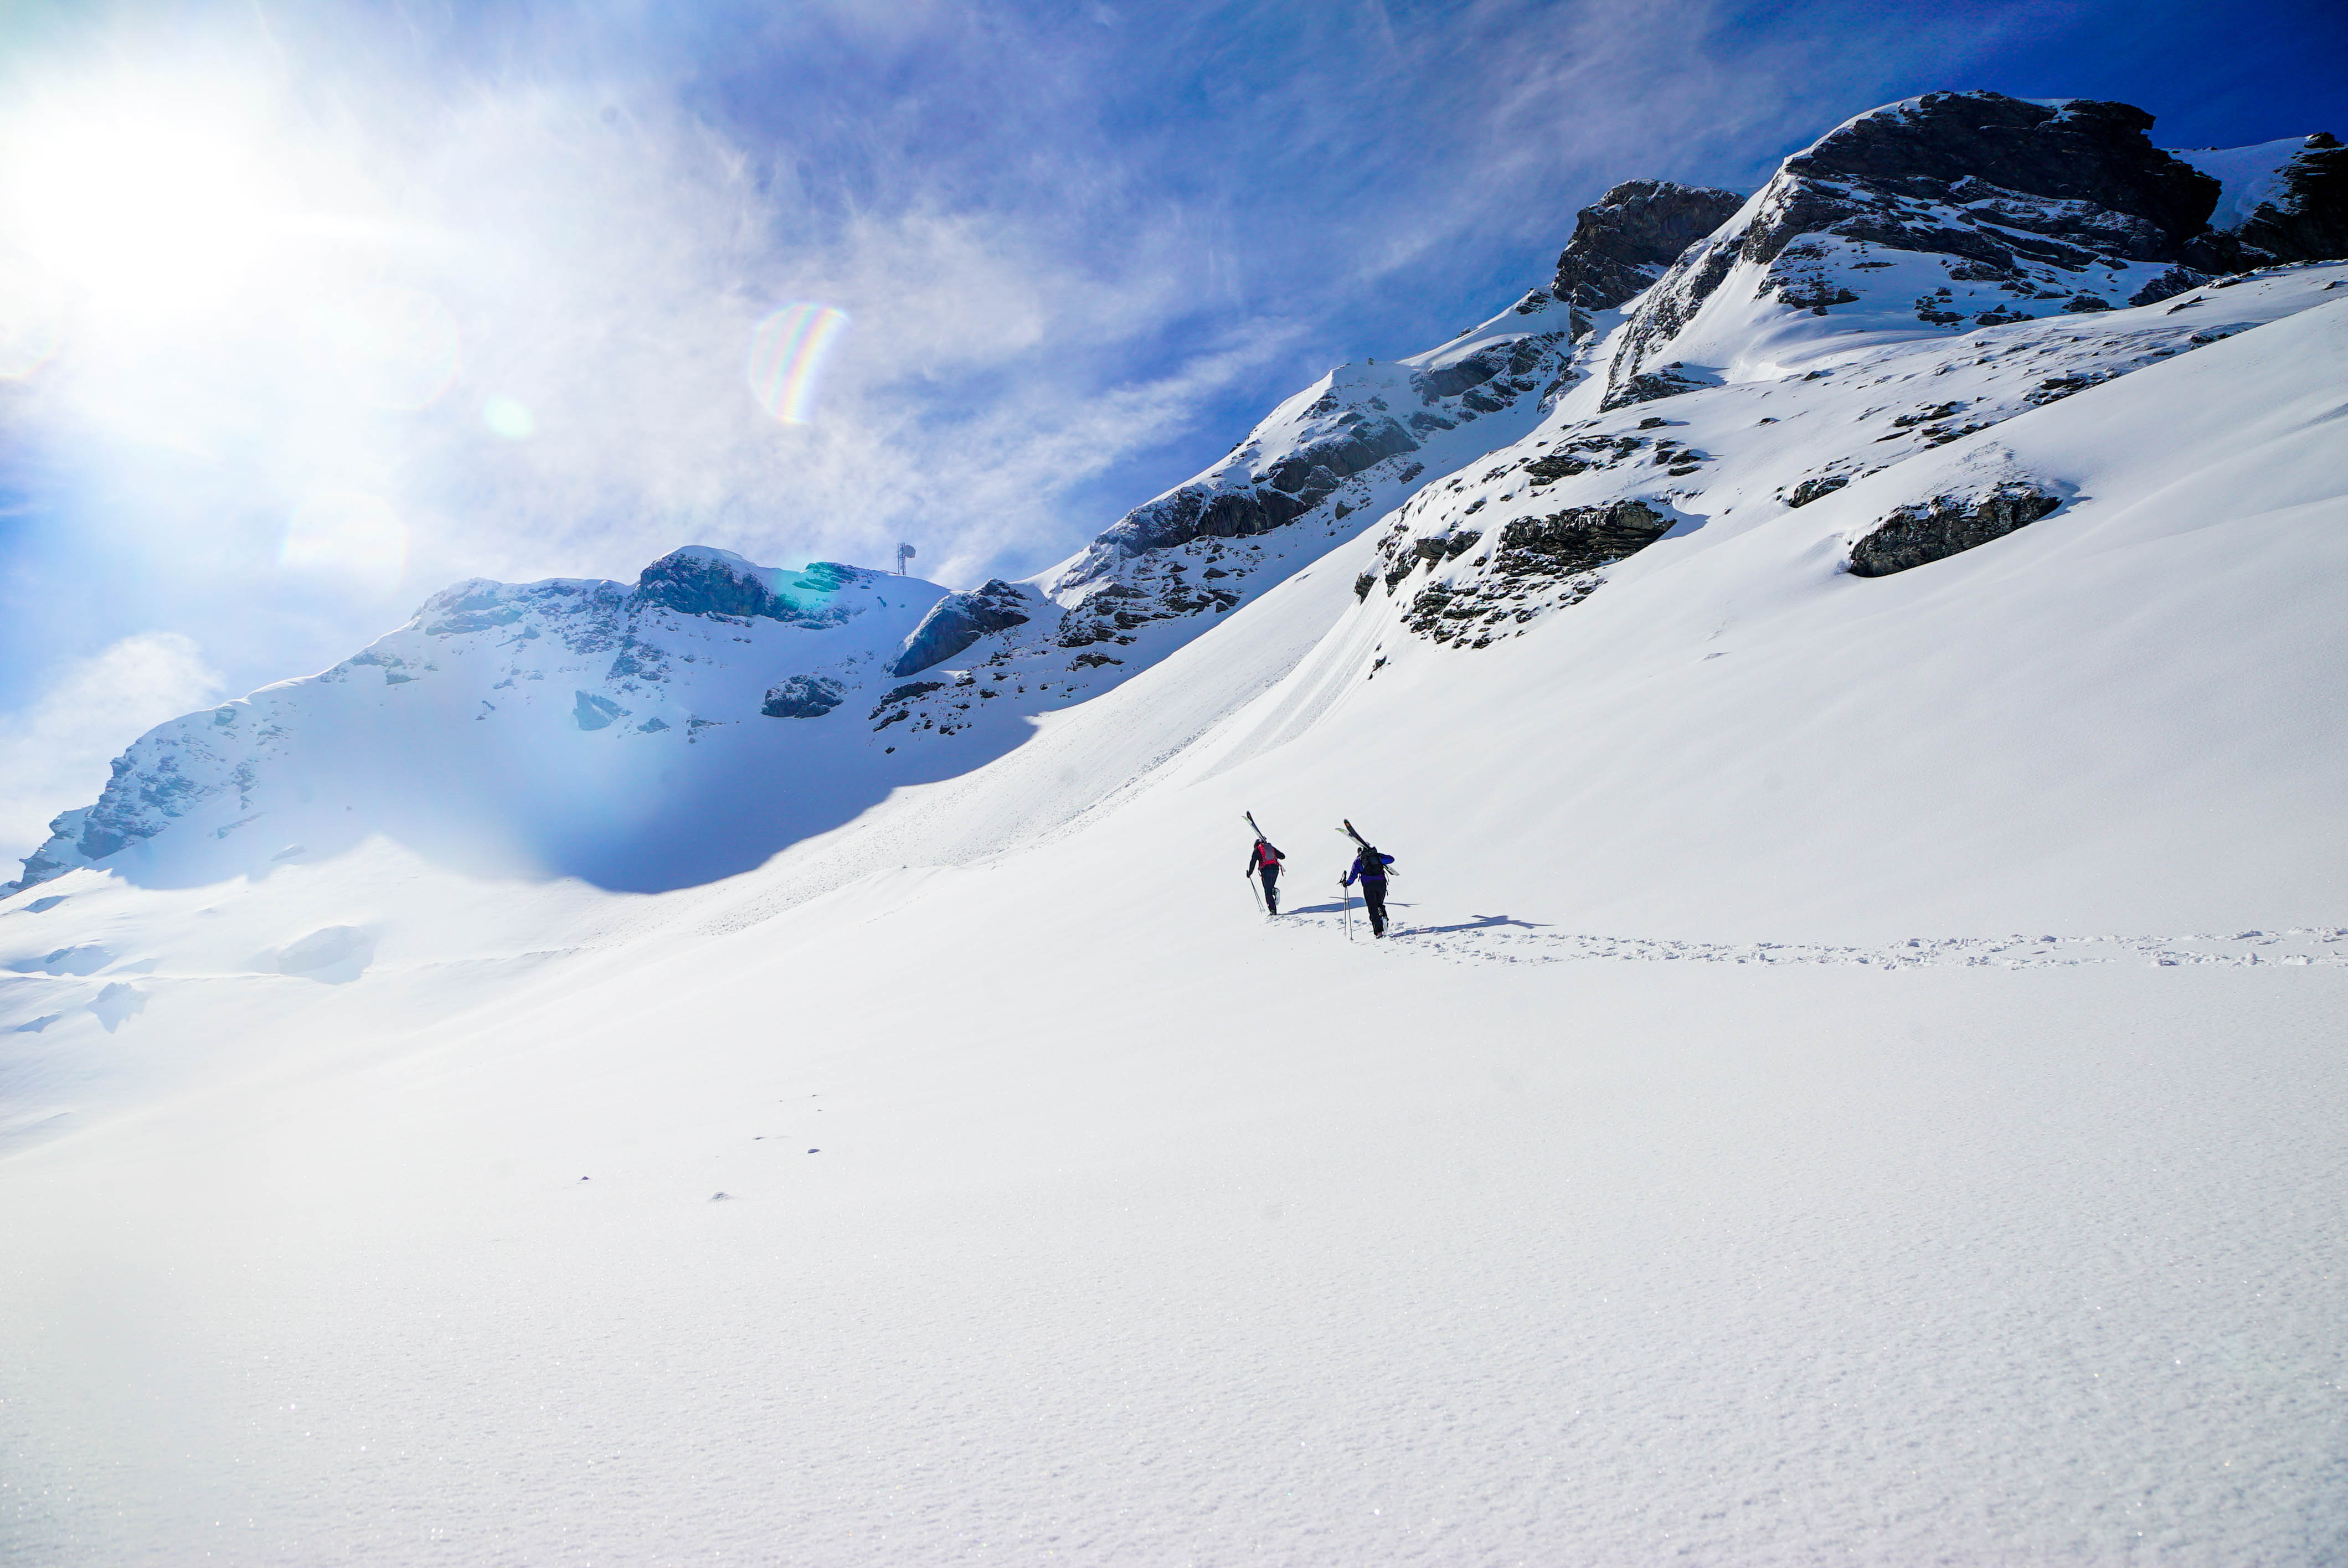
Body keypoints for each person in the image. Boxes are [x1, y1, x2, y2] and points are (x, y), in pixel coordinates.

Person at [1342, 842, 1396, 937]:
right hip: (1381, 884)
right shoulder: (1377, 857)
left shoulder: (1359, 861)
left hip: (1369, 886)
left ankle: (1379, 932)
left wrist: (1347, 883)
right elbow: (1391, 859)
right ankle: (1383, 917)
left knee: (1373, 908)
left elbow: (1353, 876)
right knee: (1379, 904)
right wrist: (1378, 856)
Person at [1245, 834, 1286, 914]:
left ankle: (1273, 911)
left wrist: (1249, 873)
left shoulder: (1257, 850)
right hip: (1275, 870)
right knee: (1269, 889)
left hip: (1266, 871)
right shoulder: (1270, 848)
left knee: (1268, 892)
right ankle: (1274, 891)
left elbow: (1253, 862)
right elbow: (1282, 856)